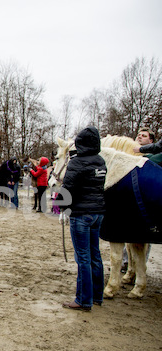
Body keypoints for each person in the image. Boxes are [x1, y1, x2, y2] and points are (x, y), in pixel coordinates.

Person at [60, 126, 107, 312]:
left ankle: (83, 299)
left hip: (81, 214)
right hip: (98, 213)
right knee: (95, 255)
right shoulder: (101, 162)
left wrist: (62, 208)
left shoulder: (77, 163)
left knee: (83, 258)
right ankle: (97, 295)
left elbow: (68, 187)